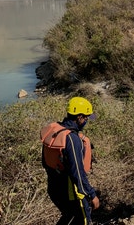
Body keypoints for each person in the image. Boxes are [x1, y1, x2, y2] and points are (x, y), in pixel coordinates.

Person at [41, 96, 100, 225]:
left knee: (69, 215)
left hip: (54, 189)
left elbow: (45, 162)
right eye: (85, 117)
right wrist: (92, 195)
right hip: (71, 193)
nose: (86, 120)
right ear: (79, 117)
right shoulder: (72, 139)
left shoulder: (54, 132)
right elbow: (77, 174)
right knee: (83, 220)